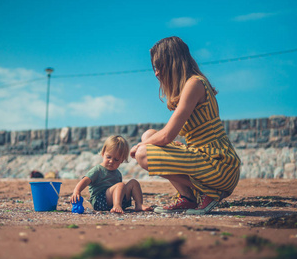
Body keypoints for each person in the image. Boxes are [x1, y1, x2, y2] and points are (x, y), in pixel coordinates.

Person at [130, 36, 241, 215]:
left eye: (159, 67)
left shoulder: (195, 84)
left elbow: (167, 135)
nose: (156, 73)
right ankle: (188, 197)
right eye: (154, 68)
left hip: (221, 165)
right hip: (206, 159)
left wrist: (140, 146)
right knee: (148, 134)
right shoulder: (189, 86)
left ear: (172, 62)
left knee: (143, 153)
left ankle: (210, 193)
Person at [71, 135, 152, 214]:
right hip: (100, 201)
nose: (111, 161)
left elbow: (120, 189)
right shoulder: (98, 169)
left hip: (116, 199)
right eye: (108, 157)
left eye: (116, 159)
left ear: (122, 160)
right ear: (103, 153)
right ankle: (116, 206)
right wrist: (77, 191)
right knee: (120, 185)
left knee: (133, 182)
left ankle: (139, 204)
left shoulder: (117, 173)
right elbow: (85, 180)